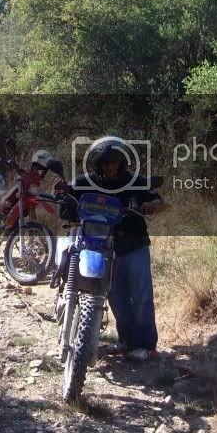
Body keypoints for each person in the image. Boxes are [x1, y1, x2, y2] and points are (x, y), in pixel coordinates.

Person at [64, 137, 167, 361]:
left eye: (114, 162)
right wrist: (61, 192)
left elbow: (160, 202)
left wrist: (152, 205)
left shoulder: (135, 182)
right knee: (115, 296)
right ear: (98, 164)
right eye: (105, 162)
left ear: (122, 162)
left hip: (133, 245)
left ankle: (146, 346)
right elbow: (68, 194)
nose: (110, 166)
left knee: (141, 296)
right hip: (101, 248)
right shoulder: (87, 182)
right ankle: (126, 341)